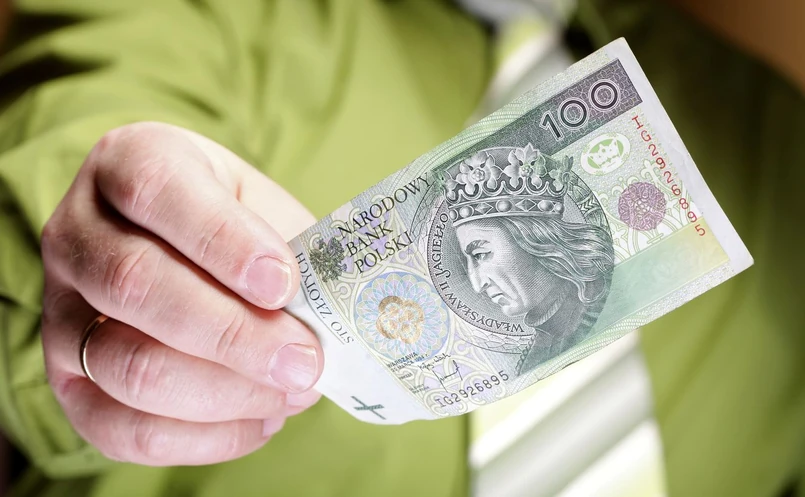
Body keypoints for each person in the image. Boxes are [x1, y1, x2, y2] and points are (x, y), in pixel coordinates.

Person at [0, 1, 803, 497]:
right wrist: (97, 282)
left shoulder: (772, 138)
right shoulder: (181, 14)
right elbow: (59, 190)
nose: (479, 273)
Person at [443, 145, 614, 374]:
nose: (477, 284)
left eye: (481, 254)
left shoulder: (608, 301)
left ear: (535, 238)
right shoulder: (539, 350)